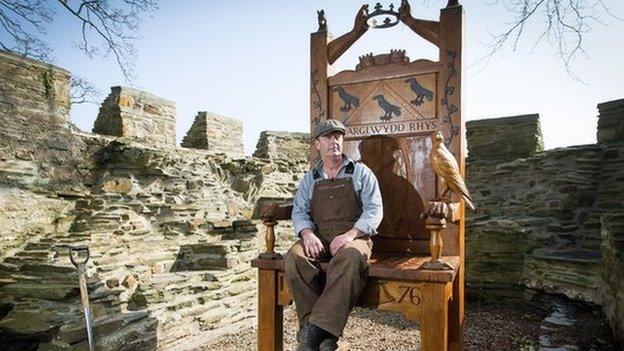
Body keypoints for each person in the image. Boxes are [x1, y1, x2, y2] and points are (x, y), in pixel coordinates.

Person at [284, 119, 383, 351]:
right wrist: (307, 234)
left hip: (355, 238)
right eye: (328, 137)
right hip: (319, 237)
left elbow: (374, 210)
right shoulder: (311, 178)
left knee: (349, 259)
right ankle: (325, 339)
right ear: (317, 144)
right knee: (293, 258)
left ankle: (311, 333)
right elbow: (299, 211)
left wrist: (350, 235)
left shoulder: (360, 172)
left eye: (337, 137)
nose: (334, 141)